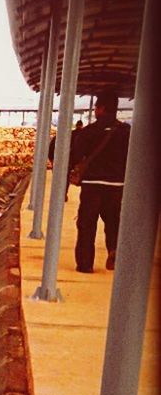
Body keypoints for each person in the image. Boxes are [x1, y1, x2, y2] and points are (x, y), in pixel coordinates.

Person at [69, 87, 130, 273]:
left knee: (87, 224)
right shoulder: (126, 131)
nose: (95, 111)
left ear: (101, 108)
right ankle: (114, 249)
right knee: (113, 221)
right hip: (116, 185)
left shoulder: (89, 131)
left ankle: (85, 264)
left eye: (96, 108)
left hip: (92, 185)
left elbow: (75, 156)